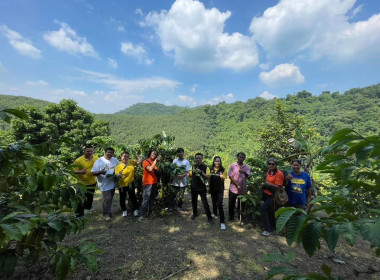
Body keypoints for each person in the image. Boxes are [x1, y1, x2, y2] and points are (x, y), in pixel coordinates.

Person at [91, 147, 119, 221]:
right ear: (105, 152)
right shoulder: (99, 161)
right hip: (104, 184)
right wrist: (101, 172)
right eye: (108, 152)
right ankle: (105, 214)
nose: (109, 154)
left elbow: (118, 168)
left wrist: (117, 174)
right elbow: (93, 172)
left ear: (113, 153)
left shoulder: (114, 160)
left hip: (112, 183)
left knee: (110, 198)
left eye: (111, 153)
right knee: (107, 199)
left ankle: (108, 211)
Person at [260, 158, 284, 237]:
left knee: (263, 209)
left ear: (276, 165)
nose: (271, 165)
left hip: (273, 196)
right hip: (266, 194)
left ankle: (267, 229)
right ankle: (272, 227)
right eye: (269, 164)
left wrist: (268, 184)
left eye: (273, 164)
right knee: (270, 211)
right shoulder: (269, 172)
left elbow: (278, 187)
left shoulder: (279, 174)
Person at [73, 145, 98, 217]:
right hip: (81, 184)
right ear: (84, 151)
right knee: (80, 199)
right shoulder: (79, 160)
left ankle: (86, 211)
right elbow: (72, 171)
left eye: (91, 151)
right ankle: (78, 214)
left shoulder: (96, 158)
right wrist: (80, 172)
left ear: (93, 152)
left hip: (92, 182)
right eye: (88, 151)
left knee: (89, 199)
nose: (89, 152)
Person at [115, 152, 140, 217]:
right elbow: (117, 176)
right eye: (124, 156)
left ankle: (135, 210)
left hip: (131, 183)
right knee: (122, 198)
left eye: (127, 156)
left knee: (133, 197)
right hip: (122, 184)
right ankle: (124, 210)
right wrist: (118, 177)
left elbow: (139, 161)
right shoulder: (118, 166)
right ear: (121, 157)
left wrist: (135, 154)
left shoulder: (131, 162)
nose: (125, 158)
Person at [190, 153, 213, 222]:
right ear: (195, 159)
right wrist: (185, 174)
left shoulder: (206, 167)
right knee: (194, 201)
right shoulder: (193, 167)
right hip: (193, 187)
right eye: (197, 158)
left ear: (202, 159)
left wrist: (201, 173)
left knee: (205, 202)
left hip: (202, 188)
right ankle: (195, 213)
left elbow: (209, 177)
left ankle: (209, 217)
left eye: (199, 158)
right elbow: (190, 175)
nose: (198, 159)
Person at [228, 152, 251, 222]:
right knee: (231, 203)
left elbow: (249, 177)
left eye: (243, 157)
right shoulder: (233, 166)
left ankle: (240, 216)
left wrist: (244, 172)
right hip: (233, 188)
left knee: (241, 204)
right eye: (240, 157)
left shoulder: (247, 167)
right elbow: (230, 176)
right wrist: (237, 184)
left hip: (243, 189)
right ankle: (231, 216)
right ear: (237, 157)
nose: (241, 159)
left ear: (244, 158)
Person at [139, 150, 160, 220]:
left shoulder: (155, 163)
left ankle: (150, 212)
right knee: (146, 199)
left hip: (154, 183)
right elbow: (150, 169)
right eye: (153, 153)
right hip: (147, 183)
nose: (154, 154)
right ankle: (141, 215)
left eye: (156, 154)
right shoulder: (145, 162)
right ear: (150, 154)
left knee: (152, 198)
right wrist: (156, 161)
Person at [209, 156, 227, 230]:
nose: (217, 162)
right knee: (213, 202)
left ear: (220, 162)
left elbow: (223, 179)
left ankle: (222, 222)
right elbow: (208, 177)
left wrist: (221, 176)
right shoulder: (210, 169)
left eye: (219, 161)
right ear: (213, 162)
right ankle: (215, 213)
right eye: (216, 161)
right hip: (212, 189)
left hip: (220, 189)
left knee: (219, 204)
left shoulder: (223, 169)